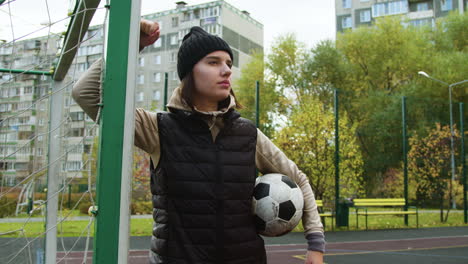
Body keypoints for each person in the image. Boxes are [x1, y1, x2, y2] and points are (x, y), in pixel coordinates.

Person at [72, 19, 325, 264]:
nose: (226, 70)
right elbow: (86, 94)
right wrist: (132, 44)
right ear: (189, 73)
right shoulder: (157, 128)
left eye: (228, 63)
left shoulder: (248, 134)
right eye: (213, 62)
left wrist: (315, 244)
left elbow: (298, 179)